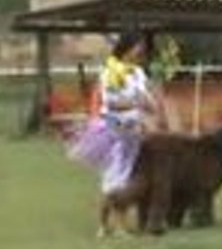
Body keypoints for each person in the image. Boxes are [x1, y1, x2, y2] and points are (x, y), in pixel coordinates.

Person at [68, 31, 159, 199]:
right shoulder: (112, 72)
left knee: (130, 169)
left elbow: (147, 99)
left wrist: (150, 105)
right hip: (116, 127)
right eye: (138, 48)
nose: (141, 52)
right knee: (117, 170)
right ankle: (113, 211)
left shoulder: (138, 73)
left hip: (135, 129)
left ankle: (121, 209)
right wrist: (137, 103)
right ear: (127, 48)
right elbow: (112, 103)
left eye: (144, 49)